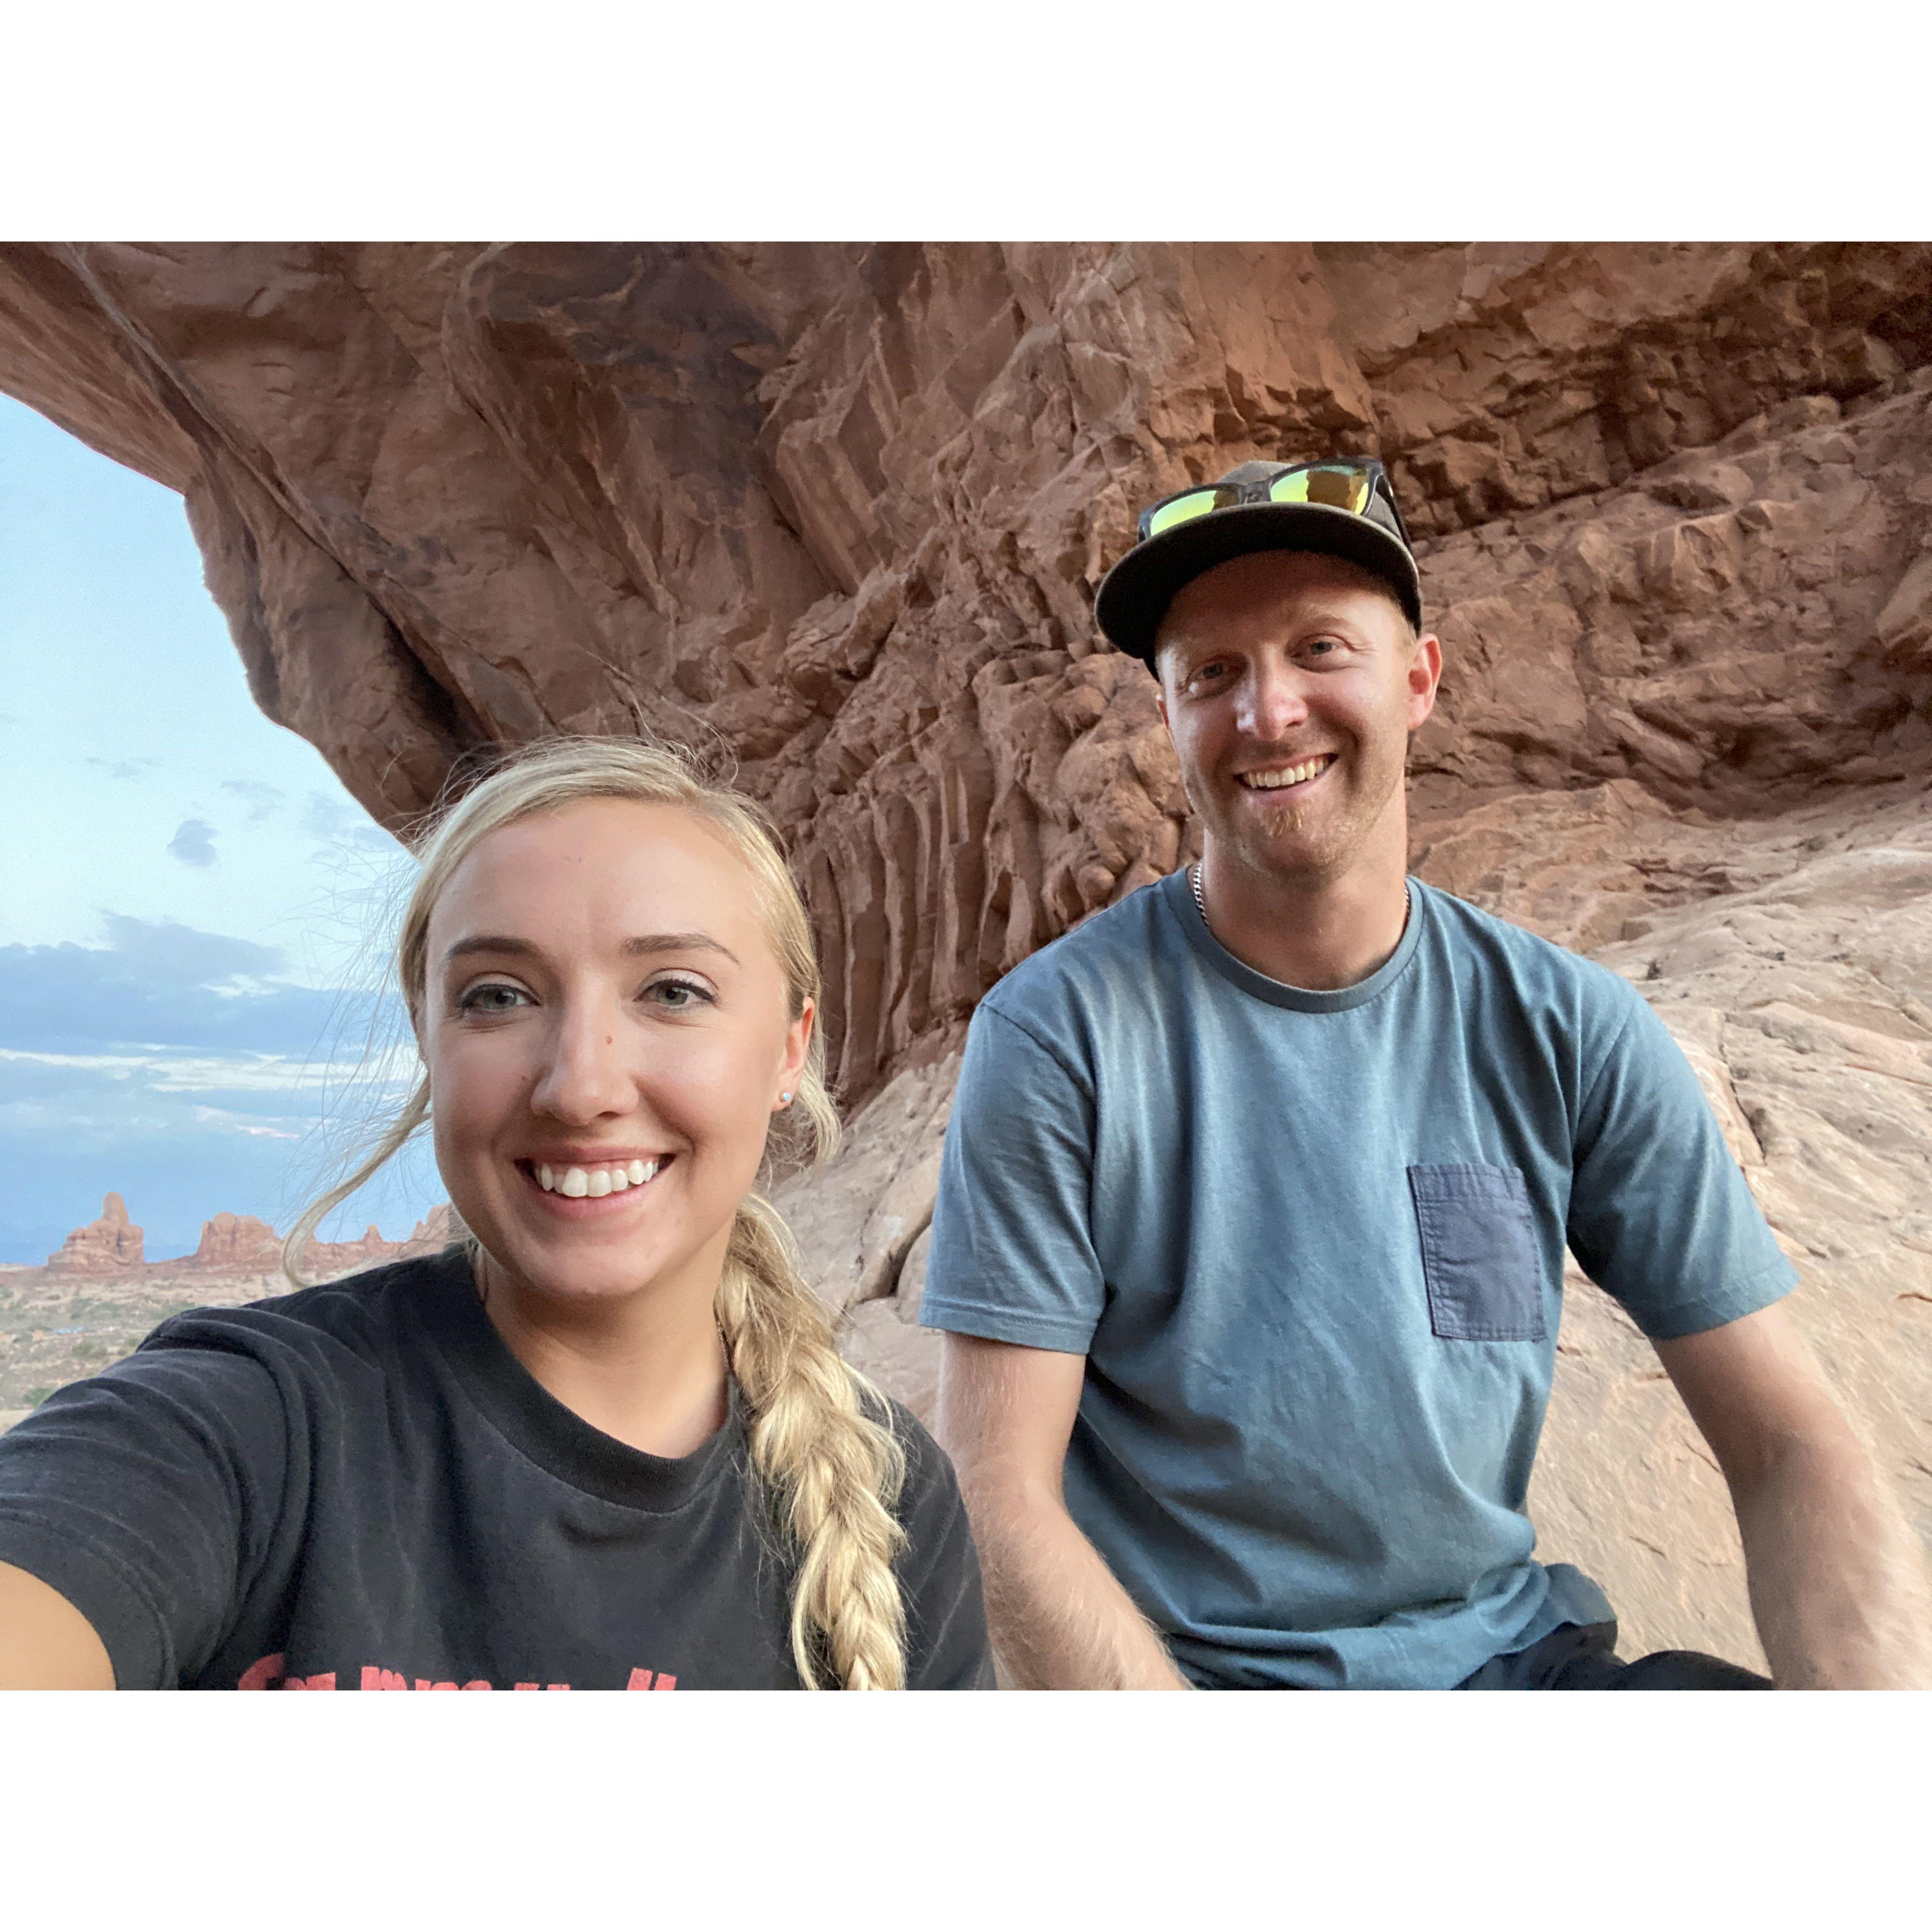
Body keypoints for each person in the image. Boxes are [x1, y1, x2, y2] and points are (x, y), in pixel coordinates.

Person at [919, 457, 1932, 1690]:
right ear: (1171, 717)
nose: (1270, 713)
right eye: (1213, 675)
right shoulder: (1058, 1038)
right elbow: (997, 1494)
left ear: (1420, 680)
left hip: (1519, 1667)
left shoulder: (1567, 1028)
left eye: (1319, 649)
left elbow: (1789, 1444)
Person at [0, 737, 993, 1690]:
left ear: (789, 1050)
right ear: (431, 1043)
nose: (580, 1086)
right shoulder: (247, 1430)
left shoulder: (891, 1500)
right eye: (500, 996)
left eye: (674, 991)